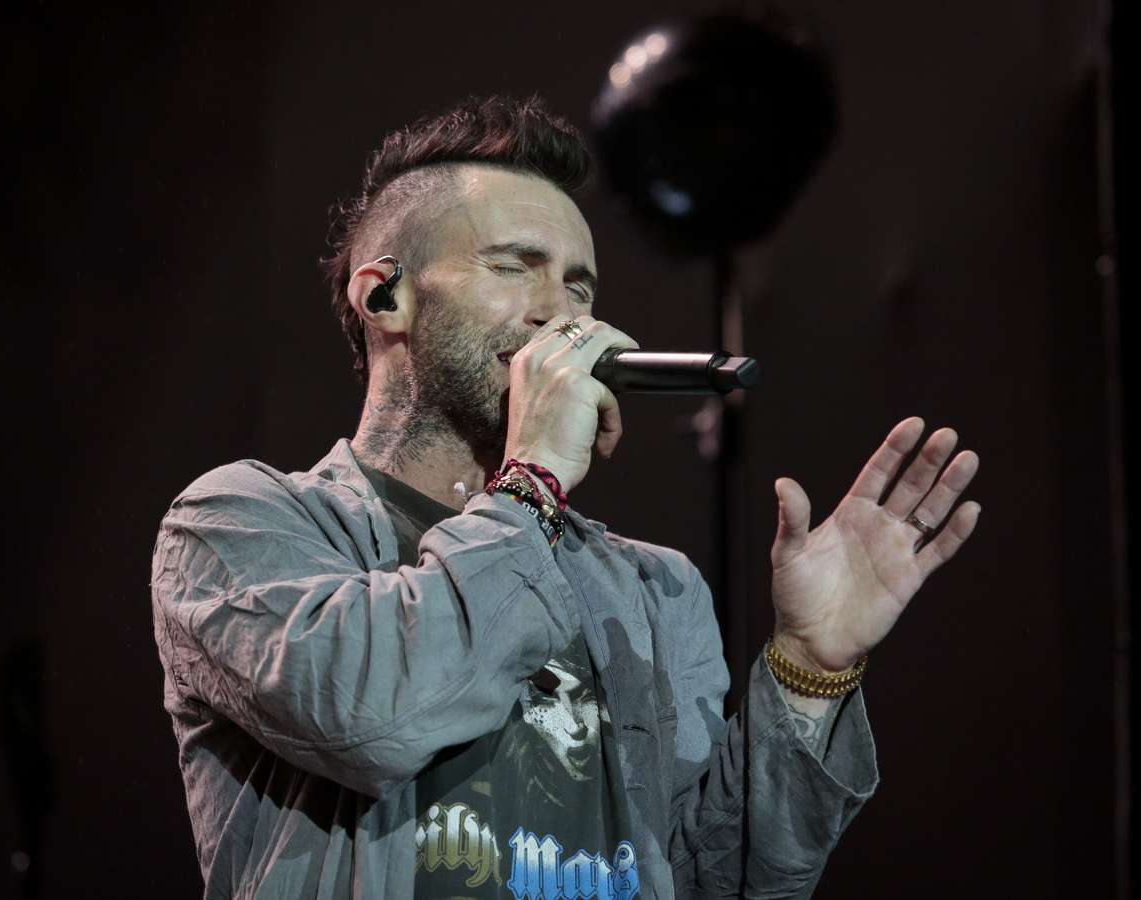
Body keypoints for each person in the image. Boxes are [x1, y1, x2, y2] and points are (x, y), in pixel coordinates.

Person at [150, 94, 981, 900]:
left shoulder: (652, 589)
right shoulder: (240, 525)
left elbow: (720, 880)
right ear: (383, 296)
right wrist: (535, 477)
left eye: (580, 288)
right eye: (514, 267)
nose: (559, 315)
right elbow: (373, 717)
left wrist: (807, 669)